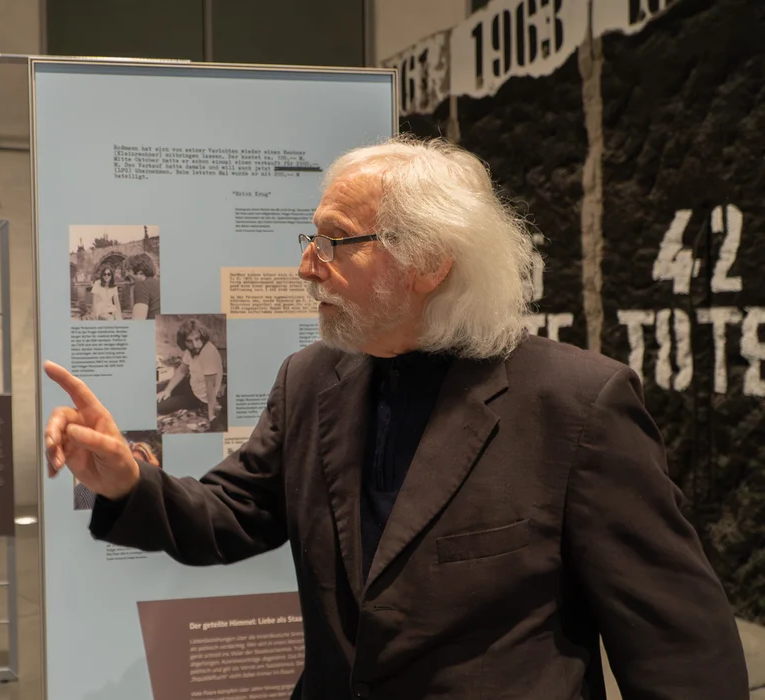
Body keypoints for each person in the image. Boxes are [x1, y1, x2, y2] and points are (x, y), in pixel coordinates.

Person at [42, 136, 749, 699]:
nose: (307, 267)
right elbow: (234, 512)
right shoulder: (311, 380)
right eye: (309, 240)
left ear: (428, 262)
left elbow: (678, 648)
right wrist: (127, 481)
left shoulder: (576, 406)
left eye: (333, 241)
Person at [156, 318, 223, 431]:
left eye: (197, 339)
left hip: (199, 397)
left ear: (202, 336)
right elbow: (182, 370)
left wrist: (211, 415)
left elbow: (210, 387)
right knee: (156, 389)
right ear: (184, 341)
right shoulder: (190, 351)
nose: (195, 345)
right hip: (191, 383)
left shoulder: (208, 353)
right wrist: (168, 390)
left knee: (158, 405)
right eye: (189, 341)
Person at [128, 254, 160, 320]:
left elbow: (138, 321)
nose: (127, 274)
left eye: (129, 270)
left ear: (140, 271)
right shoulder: (158, 283)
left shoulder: (142, 285)